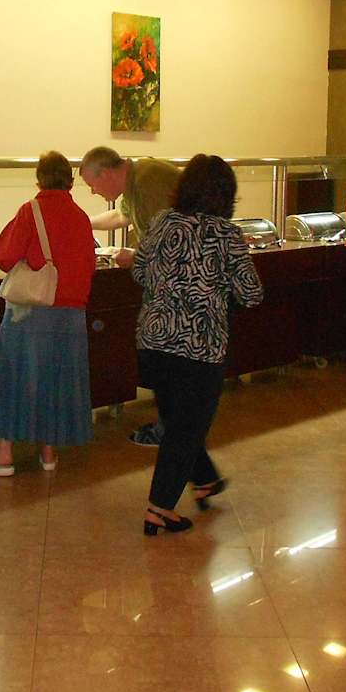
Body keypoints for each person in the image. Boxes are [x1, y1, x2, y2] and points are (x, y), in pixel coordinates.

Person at [132, 155, 263, 536]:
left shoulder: (162, 221)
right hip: (200, 348)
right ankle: (159, 508)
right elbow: (252, 293)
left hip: (154, 342)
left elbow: (138, 271)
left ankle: (204, 480)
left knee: (178, 421)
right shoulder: (226, 235)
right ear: (226, 194)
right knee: (185, 431)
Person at [0, 151, 97, 477]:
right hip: (72, 314)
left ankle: (4, 454)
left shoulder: (31, 211)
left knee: (13, 378)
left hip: (32, 313)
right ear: (70, 181)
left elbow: (5, 257)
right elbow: (88, 264)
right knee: (55, 380)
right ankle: (48, 451)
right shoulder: (81, 217)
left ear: (39, 179)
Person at [79, 147, 181, 447]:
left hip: (180, 286)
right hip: (173, 283)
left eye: (92, 185)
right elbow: (120, 216)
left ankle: (172, 431)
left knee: (169, 357)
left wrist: (135, 256)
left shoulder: (148, 180)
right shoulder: (138, 179)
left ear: (106, 173)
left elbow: (170, 241)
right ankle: (171, 426)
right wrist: (81, 222)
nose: (93, 192)